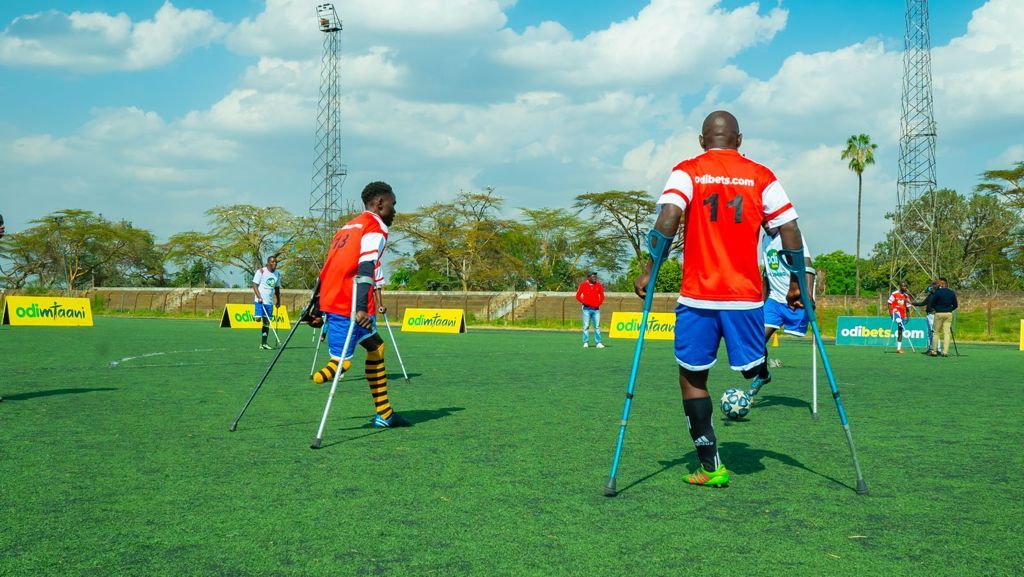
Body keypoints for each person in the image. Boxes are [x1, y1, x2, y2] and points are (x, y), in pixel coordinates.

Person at [634, 110, 804, 488]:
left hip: (698, 297)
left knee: (693, 378)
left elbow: (667, 218)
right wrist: (796, 283)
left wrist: (650, 270)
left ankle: (711, 467)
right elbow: (789, 228)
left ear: (701, 140)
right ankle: (754, 368)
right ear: (739, 140)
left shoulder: (687, 170)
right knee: (749, 363)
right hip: (745, 298)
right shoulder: (762, 176)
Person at [311, 181, 410, 428]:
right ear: (379, 204)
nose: (394, 211)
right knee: (341, 362)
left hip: (333, 299)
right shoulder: (374, 227)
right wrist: (361, 308)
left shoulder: (348, 226)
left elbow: (329, 265)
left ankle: (385, 414)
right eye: (392, 205)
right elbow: (366, 266)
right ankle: (329, 371)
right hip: (349, 304)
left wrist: (315, 303)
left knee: (376, 347)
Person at [748, 223, 815, 399]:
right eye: (763, 220)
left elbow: (807, 265)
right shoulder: (764, 240)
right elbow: (767, 273)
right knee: (756, 341)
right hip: (775, 301)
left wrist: (808, 295)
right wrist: (760, 303)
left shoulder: (791, 235)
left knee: (809, 345)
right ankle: (763, 375)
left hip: (796, 300)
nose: (766, 223)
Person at [252, 256, 281, 350]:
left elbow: (277, 288)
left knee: (266, 323)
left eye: (276, 262)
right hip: (260, 301)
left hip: (269, 302)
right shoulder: (261, 271)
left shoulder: (277, 274)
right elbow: (255, 285)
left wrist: (278, 301)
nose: (274, 264)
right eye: (272, 262)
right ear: (268, 263)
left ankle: (263, 343)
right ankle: (256, 314)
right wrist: (259, 296)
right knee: (258, 319)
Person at [575, 272, 605, 348]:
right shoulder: (583, 285)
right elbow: (578, 296)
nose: (595, 278)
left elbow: (602, 296)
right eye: (593, 277)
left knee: (597, 326)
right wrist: (584, 302)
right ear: (588, 278)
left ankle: (598, 343)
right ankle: (585, 342)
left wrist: (599, 303)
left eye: (595, 277)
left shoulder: (599, 285)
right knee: (586, 326)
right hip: (586, 309)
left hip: (596, 309)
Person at [929, 277, 958, 357]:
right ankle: (945, 352)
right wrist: (950, 309)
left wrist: (936, 308)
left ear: (942, 283)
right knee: (947, 333)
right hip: (948, 314)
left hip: (939, 313)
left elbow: (932, 303)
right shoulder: (951, 292)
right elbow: (955, 305)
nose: (938, 284)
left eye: (939, 283)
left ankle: (934, 351)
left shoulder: (938, 292)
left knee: (936, 332)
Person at [912, 280, 940, 355]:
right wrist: (912, 303)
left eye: (933, 285)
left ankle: (938, 349)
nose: (931, 287)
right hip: (928, 315)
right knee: (929, 333)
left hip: (933, 315)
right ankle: (930, 348)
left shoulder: (937, 295)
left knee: (934, 332)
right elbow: (923, 303)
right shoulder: (930, 295)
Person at [888, 282, 912, 353]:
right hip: (896, 313)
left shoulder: (906, 296)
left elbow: (908, 307)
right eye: (903, 286)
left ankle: (898, 348)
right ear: (900, 287)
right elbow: (889, 304)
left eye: (905, 286)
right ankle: (898, 349)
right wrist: (891, 314)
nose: (904, 287)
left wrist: (908, 317)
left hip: (903, 315)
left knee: (900, 330)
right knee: (899, 324)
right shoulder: (894, 294)